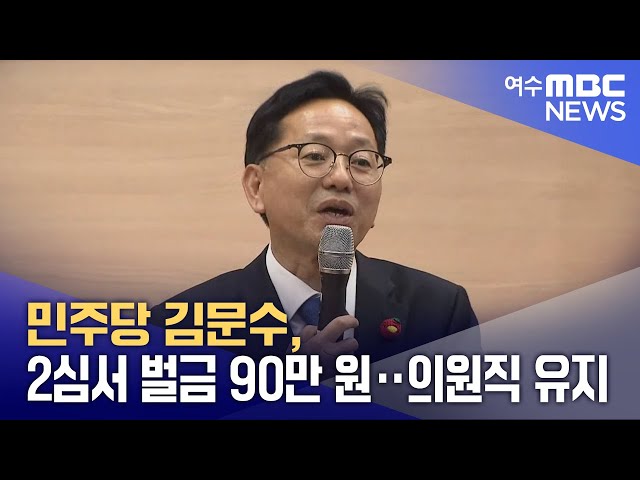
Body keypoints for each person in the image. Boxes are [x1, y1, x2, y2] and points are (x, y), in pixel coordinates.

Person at [150, 70, 480, 375]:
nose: (342, 178)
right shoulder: (178, 329)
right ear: (256, 187)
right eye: (315, 156)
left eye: (362, 161)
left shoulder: (440, 314)